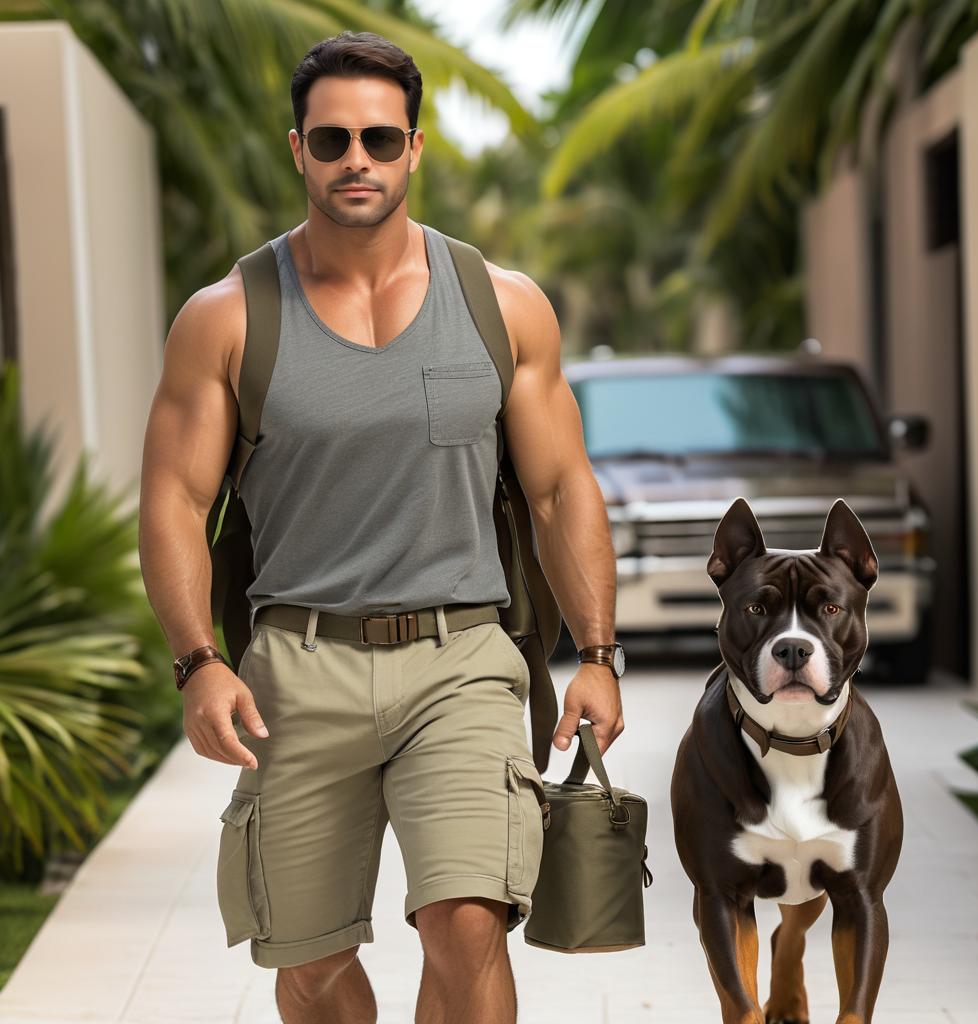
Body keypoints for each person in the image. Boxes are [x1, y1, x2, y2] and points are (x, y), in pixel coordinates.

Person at [138, 29, 624, 1024]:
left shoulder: (501, 305)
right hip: (298, 667)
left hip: (464, 657)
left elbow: (559, 490)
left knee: (468, 923)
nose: (354, 158)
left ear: (414, 147)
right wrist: (199, 662)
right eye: (330, 141)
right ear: (297, 150)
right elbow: (175, 501)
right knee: (310, 962)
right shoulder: (227, 317)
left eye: (378, 138)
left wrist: (600, 653)